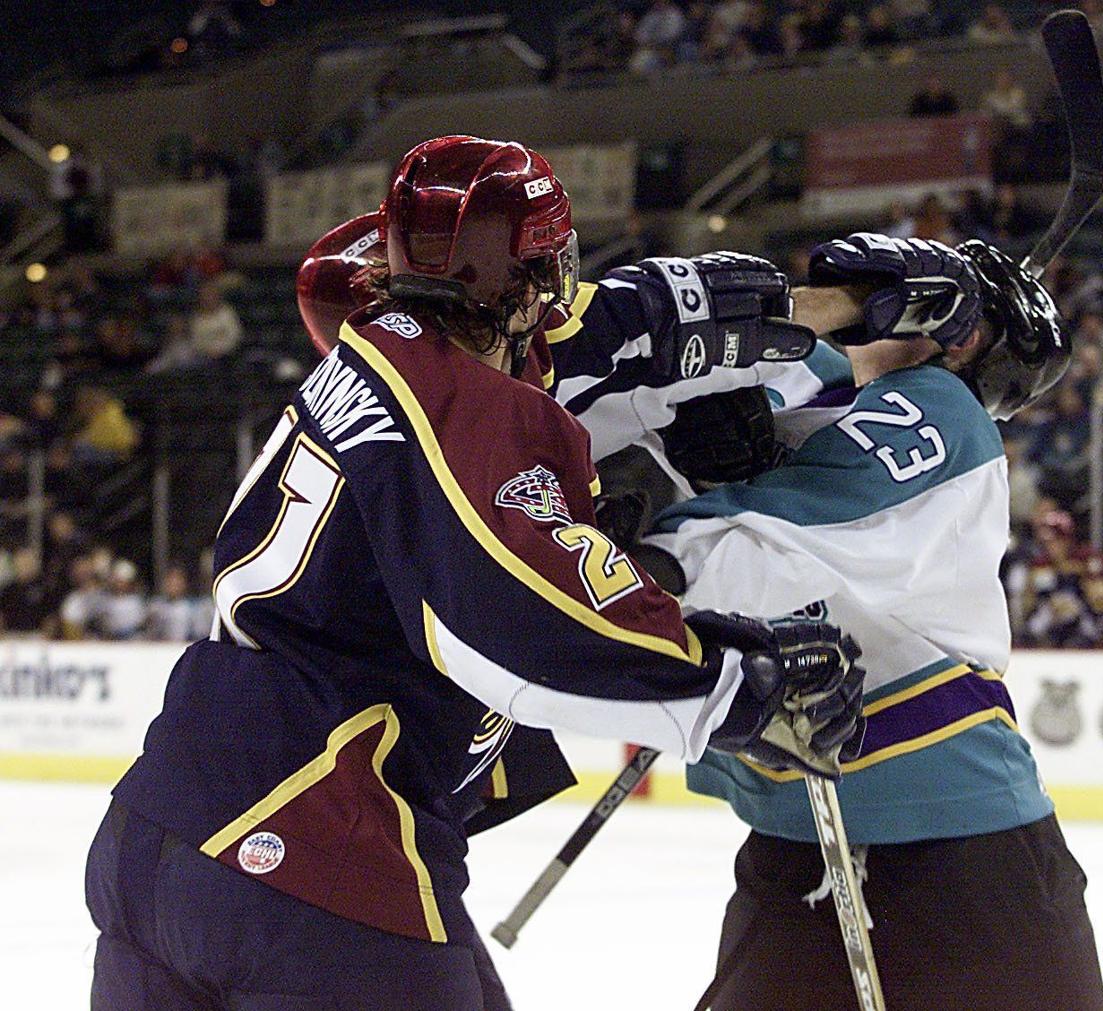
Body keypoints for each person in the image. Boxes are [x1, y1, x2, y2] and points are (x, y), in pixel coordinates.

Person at [84, 136, 866, 1011]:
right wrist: (729, 685)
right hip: (316, 854)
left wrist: (840, 313)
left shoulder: (374, 357)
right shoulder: (457, 398)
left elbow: (613, 346)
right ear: (524, 279)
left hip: (157, 837)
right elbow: (508, 614)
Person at [632, 237, 1103, 1009]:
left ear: (966, 336)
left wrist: (625, 568)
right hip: (807, 831)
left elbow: (781, 535)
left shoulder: (942, 411)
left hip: (956, 850)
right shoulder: (817, 385)